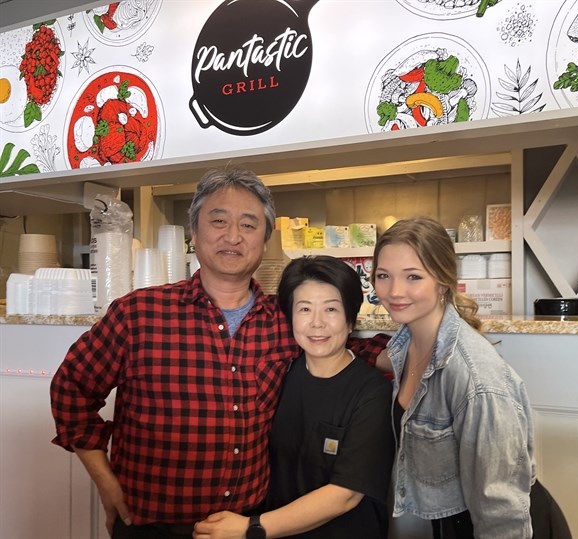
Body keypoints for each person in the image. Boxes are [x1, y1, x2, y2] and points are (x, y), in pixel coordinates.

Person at [50, 169, 388, 539]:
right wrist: (106, 482)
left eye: (248, 225)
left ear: (265, 239)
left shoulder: (284, 319)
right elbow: (71, 389)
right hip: (152, 526)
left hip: (245, 525)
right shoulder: (138, 314)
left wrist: (417, 348)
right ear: (194, 232)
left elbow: (343, 346)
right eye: (219, 221)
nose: (232, 236)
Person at [371, 217, 571, 539]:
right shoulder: (404, 346)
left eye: (413, 276)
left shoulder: (475, 377)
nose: (394, 291)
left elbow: (501, 513)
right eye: (383, 276)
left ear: (443, 280)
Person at [193, 255, 395, 539]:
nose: (317, 323)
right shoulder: (280, 373)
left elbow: (346, 495)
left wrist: (251, 527)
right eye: (304, 309)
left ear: (351, 319)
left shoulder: (372, 391)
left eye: (331, 309)